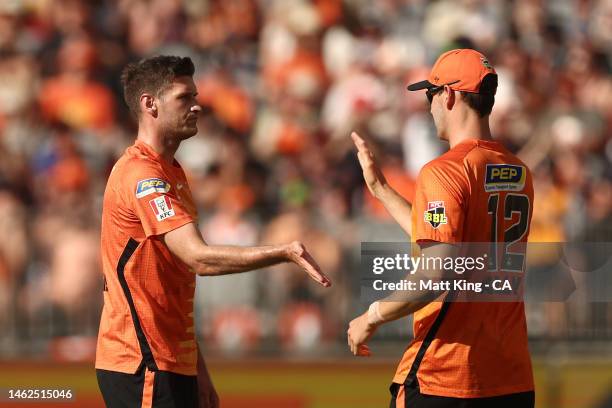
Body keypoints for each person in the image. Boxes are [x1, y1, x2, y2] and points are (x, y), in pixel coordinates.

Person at [95, 56, 331, 408]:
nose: (197, 105)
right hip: (140, 361)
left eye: (195, 95)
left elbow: (174, 282)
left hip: (172, 360)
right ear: (149, 104)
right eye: (183, 97)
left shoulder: (173, 172)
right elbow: (198, 258)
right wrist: (281, 253)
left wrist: (197, 368)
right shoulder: (141, 176)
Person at [347, 49, 535, 407]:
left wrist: (372, 316)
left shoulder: (445, 171)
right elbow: (445, 240)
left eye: (430, 95)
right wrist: (382, 190)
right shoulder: (518, 171)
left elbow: (437, 272)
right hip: (510, 378)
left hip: (445, 376)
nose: (429, 106)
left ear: (448, 94)